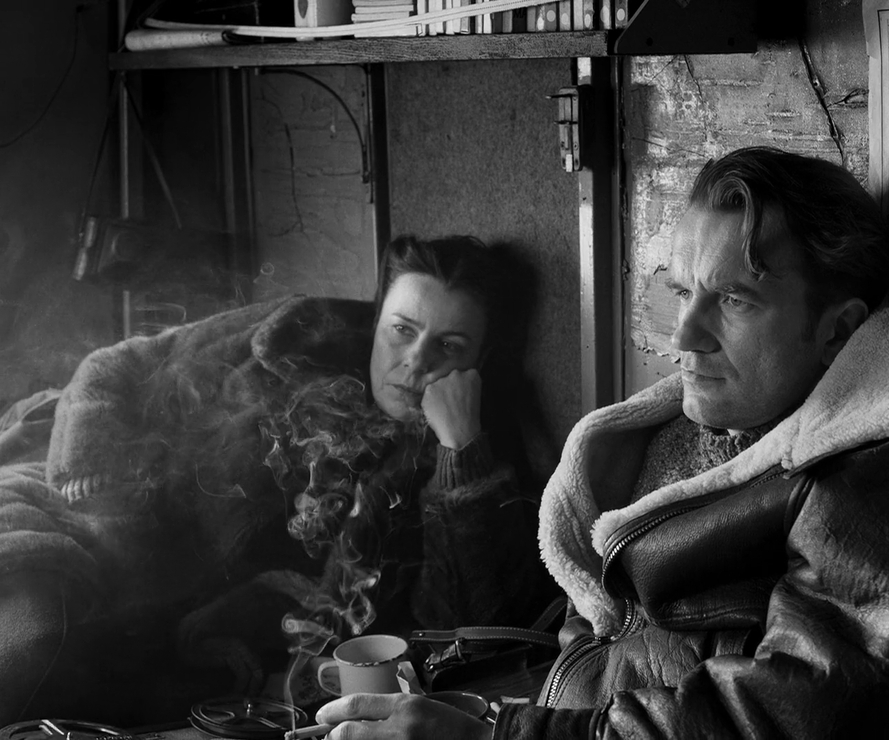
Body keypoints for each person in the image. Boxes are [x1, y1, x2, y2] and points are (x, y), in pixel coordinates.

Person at [314, 147, 889, 738]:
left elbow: (790, 717)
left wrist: (501, 732)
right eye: (682, 291)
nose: (683, 335)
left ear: (837, 330)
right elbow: (605, 631)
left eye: (735, 300)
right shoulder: (692, 431)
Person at [0, 235, 555, 726]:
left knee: (65, 682)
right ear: (377, 318)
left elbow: (475, 631)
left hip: (183, 625)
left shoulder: (470, 460)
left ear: (480, 360)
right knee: (29, 655)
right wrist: (90, 464)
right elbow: (117, 364)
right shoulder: (296, 332)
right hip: (82, 525)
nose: (415, 361)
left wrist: (461, 450)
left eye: (448, 346)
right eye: (402, 330)